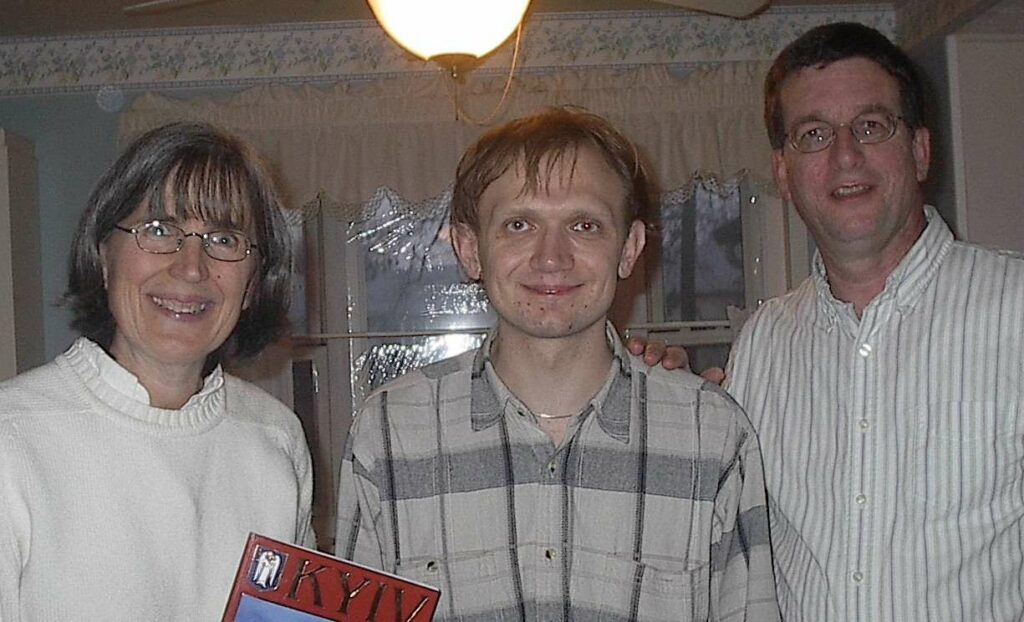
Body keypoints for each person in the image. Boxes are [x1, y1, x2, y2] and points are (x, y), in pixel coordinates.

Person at [633, 22, 1024, 621]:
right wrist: (670, 411)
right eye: (814, 134)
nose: (846, 155)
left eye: (871, 126)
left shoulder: (1016, 309)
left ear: (919, 150)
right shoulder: (763, 341)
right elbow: (714, 533)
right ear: (785, 173)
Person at [334, 108, 779, 621]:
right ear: (470, 249)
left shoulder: (714, 434)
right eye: (519, 224)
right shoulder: (388, 433)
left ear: (629, 248)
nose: (551, 257)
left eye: (584, 225)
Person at [0, 122, 315, 620]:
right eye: (160, 229)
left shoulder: (275, 438)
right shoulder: (12, 437)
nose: (191, 267)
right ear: (104, 255)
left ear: (253, 282)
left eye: (224, 238)